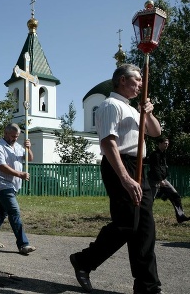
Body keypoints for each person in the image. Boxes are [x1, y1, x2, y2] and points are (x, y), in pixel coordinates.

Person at [69, 64, 162, 294]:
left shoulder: (133, 108)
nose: (141, 84)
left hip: (138, 165)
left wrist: (147, 113)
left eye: (142, 80)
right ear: (122, 80)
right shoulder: (110, 105)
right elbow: (108, 143)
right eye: (137, 79)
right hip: (119, 164)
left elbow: (156, 132)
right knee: (127, 223)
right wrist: (125, 178)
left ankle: (147, 286)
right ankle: (84, 261)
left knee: (145, 228)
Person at [0, 123, 36, 255]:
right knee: (14, 211)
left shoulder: (18, 146)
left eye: (17, 136)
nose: (15, 138)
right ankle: (23, 244)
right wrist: (20, 174)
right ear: (5, 133)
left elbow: (29, 158)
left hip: (14, 185)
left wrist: (28, 148)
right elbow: (1, 166)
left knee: (1, 213)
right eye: (13, 136)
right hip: (3, 185)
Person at [148, 137, 189, 223]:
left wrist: (163, 178)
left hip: (163, 180)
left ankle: (181, 216)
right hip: (154, 181)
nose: (167, 145)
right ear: (159, 143)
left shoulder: (164, 154)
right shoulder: (154, 155)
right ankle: (142, 217)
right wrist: (160, 180)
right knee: (149, 200)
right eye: (165, 143)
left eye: (167, 143)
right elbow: (155, 168)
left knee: (175, 196)